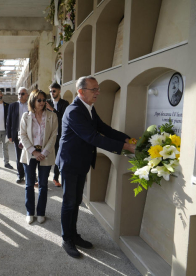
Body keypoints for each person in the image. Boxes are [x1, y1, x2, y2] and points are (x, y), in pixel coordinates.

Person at [57, 76, 135, 258]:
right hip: (70, 163)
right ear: (81, 92)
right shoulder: (74, 111)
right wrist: (126, 148)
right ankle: (66, 239)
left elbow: (104, 129)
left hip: (81, 161)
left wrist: (126, 138)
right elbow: (93, 137)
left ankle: (74, 235)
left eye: (98, 89)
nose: (98, 92)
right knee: (69, 202)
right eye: (94, 89)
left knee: (76, 201)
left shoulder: (89, 108)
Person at [19, 89, 58, 224]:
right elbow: (22, 135)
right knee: (29, 184)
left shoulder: (52, 116)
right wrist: (34, 152)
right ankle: (30, 212)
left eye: (44, 100)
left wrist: (44, 152)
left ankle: (41, 212)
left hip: (45, 154)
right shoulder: (26, 116)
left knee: (43, 185)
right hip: (30, 154)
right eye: (39, 100)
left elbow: (54, 136)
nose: (42, 102)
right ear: (33, 101)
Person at [46, 82, 69, 187]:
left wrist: (52, 110)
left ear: (59, 91)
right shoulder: (46, 102)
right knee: (45, 155)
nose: (52, 93)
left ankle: (55, 178)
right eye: (50, 91)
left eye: (54, 91)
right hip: (48, 135)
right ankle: (43, 178)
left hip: (60, 135)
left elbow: (64, 117)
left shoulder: (65, 103)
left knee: (57, 157)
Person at [7, 87, 28, 183]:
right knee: (19, 155)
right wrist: (9, 135)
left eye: (22, 93)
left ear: (27, 95)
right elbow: (9, 121)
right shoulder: (13, 106)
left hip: (30, 135)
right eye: (19, 94)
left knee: (30, 155)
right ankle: (20, 175)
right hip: (17, 135)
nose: (20, 95)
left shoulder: (31, 105)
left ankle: (30, 174)